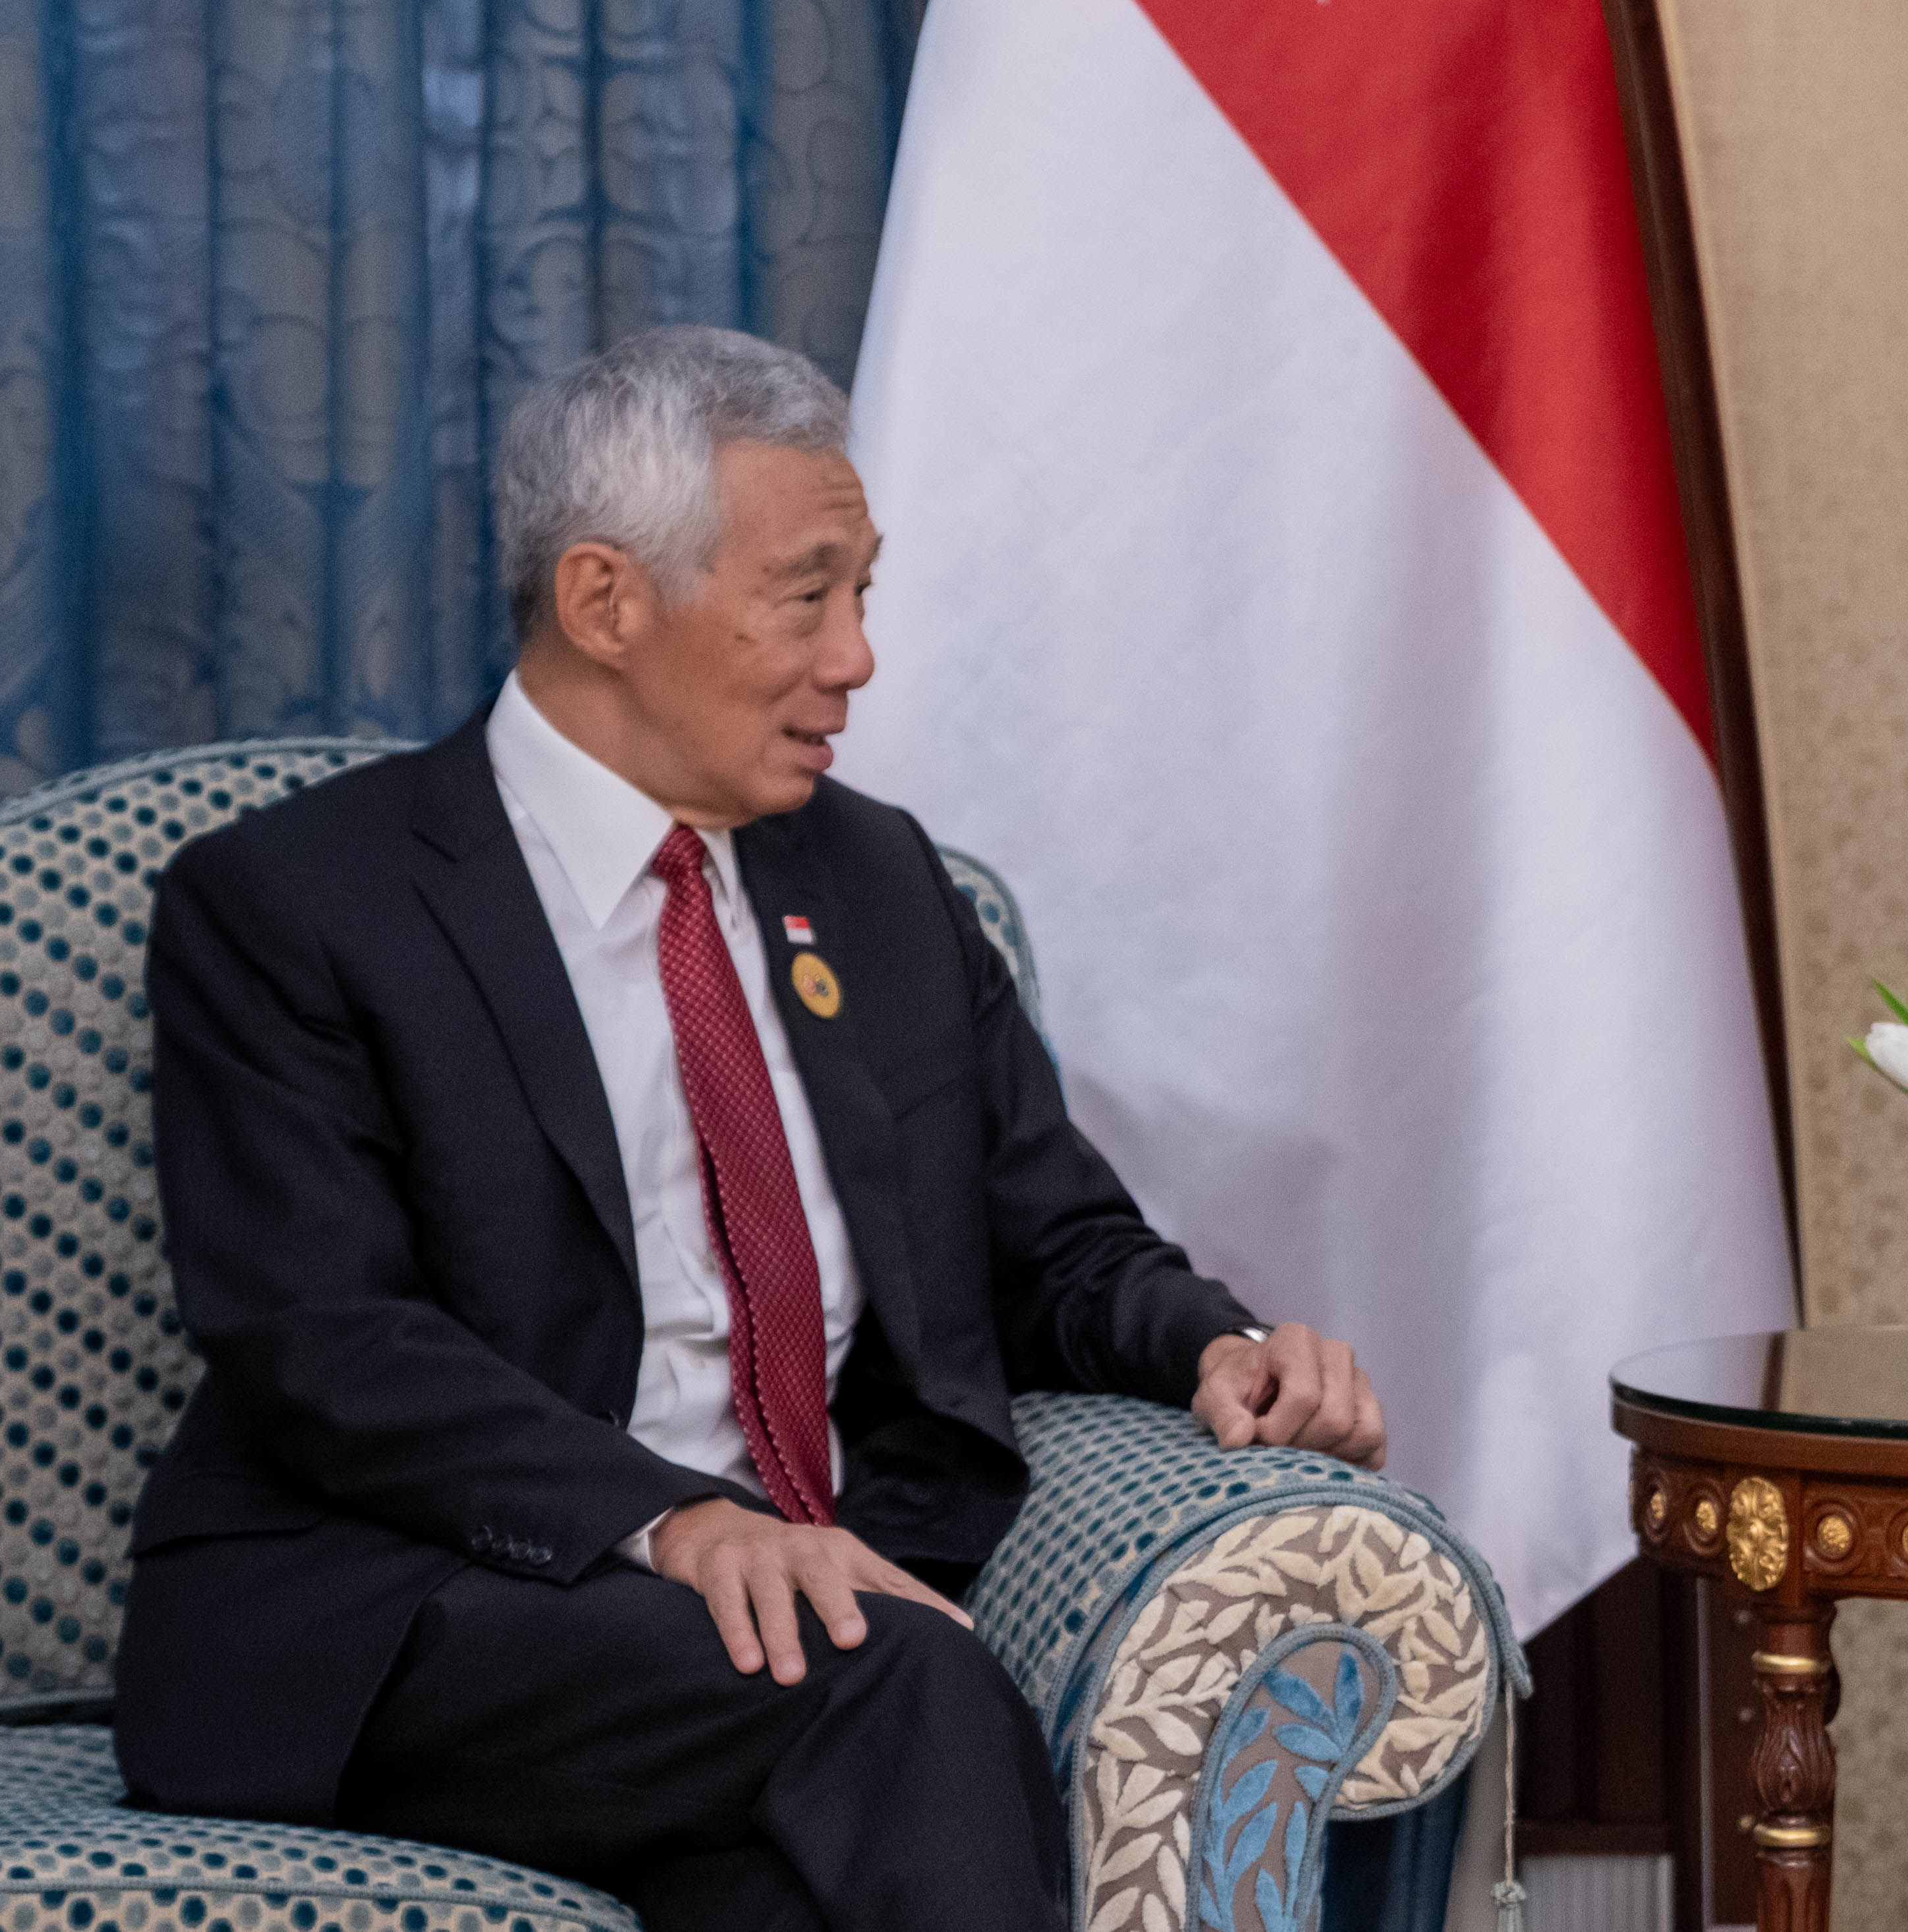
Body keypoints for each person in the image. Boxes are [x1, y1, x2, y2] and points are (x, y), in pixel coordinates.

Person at [116, 325, 1393, 1931]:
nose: (858, 655)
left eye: (867, 593)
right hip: (413, 1607)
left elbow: (1051, 1238)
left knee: (790, 1878)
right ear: (606, 601)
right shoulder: (298, 904)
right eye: (810, 594)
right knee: (893, 1683)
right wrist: (679, 1521)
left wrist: (1215, 1344)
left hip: (752, 1642)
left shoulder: (880, 886)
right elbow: (325, 1338)